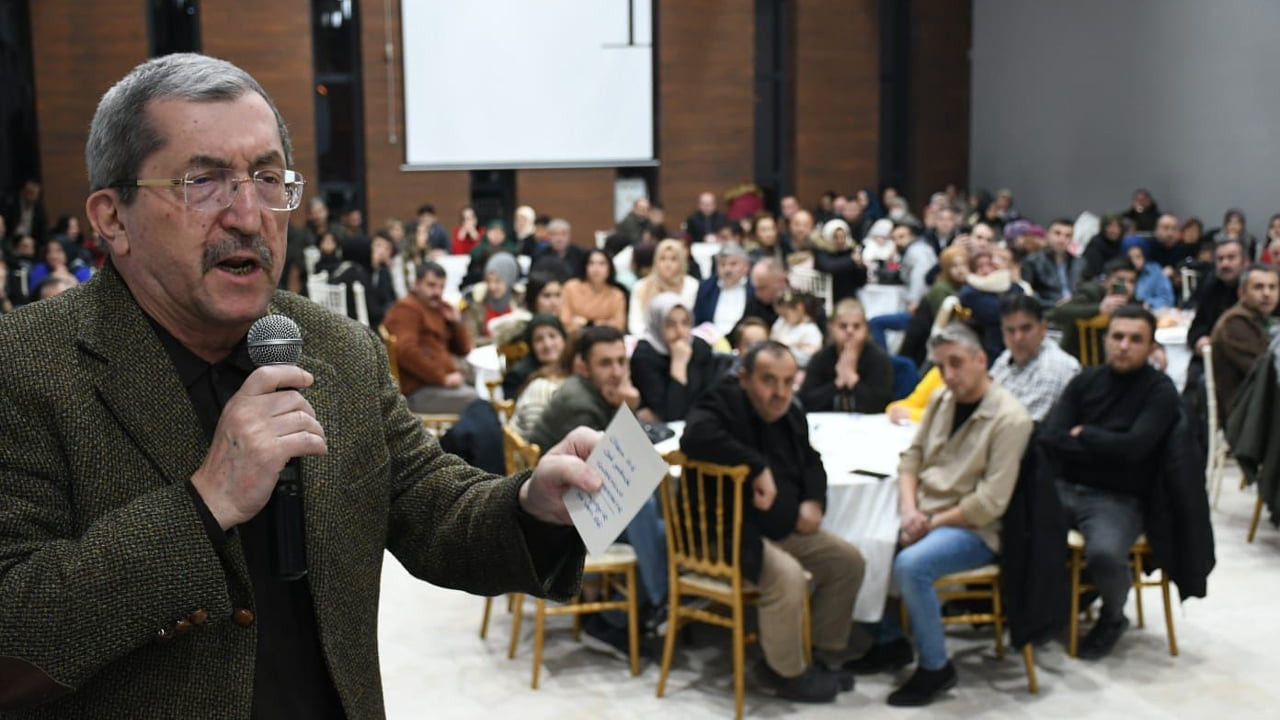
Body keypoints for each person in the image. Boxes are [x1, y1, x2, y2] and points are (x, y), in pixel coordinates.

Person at [0, 53, 600, 719]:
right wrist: (202, 506)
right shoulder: (27, 369)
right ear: (112, 218)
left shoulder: (337, 348)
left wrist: (530, 505)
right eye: (205, 182)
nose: (249, 215)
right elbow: (13, 641)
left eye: (266, 178)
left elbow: (434, 510)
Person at [849, 323, 1032, 707]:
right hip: (926, 510)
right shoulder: (940, 400)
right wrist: (910, 510)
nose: (949, 375)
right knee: (861, 537)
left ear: (981, 360)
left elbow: (989, 502)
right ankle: (888, 639)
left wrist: (928, 523)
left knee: (912, 565)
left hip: (974, 528)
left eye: (957, 364)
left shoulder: (1010, 418)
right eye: (941, 366)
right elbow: (910, 460)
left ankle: (936, 667)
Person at [682, 342, 866, 703]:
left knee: (847, 561)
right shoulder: (722, 402)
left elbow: (812, 460)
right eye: (769, 381)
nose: (779, 393)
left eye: (787, 382)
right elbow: (695, 437)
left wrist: (814, 500)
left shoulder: (789, 411)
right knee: (787, 577)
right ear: (745, 377)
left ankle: (818, 654)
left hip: (779, 529)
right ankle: (786, 673)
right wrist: (756, 465)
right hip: (730, 535)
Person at [1041, 306, 1180, 660]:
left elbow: (1135, 449)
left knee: (1103, 553)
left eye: (1135, 339)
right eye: (1117, 337)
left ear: (1151, 347)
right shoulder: (1087, 381)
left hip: (1120, 497)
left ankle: (1113, 617)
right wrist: (1107, 443)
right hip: (1066, 486)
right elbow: (1051, 435)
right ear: (1105, 340)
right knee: (1016, 519)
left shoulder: (1159, 390)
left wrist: (1085, 434)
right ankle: (1037, 605)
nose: (1123, 346)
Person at [384, 261, 479, 414]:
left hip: (438, 385)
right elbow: (406, 352)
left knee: (479, 399)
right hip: (418, 390)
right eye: (431, 285)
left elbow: (464, 349)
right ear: (416, 284)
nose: (437, 292)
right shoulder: (406, 309)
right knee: (477, 404)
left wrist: (455, 323)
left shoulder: (437, 308)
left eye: (441, 287)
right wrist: (442, 378)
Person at [990, 295, 1081, 421]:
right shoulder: (1006, 357)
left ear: (1043, 328)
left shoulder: (1055, 366)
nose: (1017, 338)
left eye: (1026, 329)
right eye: (1010, 330)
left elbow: (1021, 427)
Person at [630, 293, 717, 423]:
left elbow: (711, 400)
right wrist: (679, 366)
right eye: (670, 325)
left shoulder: (700, 347)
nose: (680, 331)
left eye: (685, 323)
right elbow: (672, 413)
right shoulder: (644, 355)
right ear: (657, 325)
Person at [1210, 265, 1280, 424]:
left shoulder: (1265, 320)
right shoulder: (1234, 324)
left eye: (1272, 287)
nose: (1267, 293)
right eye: (1258, 287)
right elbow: (1268, 373)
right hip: (1245, 416)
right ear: (1242, 293)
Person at [798, 298, 893, 413]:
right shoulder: (821, 358)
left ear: (866, 329)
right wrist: (837, 384)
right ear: (831, 328)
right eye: (843, 326)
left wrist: (852, 378)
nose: (850, 331)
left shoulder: (879, 359)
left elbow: (882, 406)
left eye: (856, 326)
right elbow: (805, 402)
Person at [1048, 257, 1138, 361]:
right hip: (1078, 356)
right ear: (1106, 280)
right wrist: (1099, 308)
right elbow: (1057, 313)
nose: (1127, 286)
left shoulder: (1131, 300)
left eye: (1132, 281)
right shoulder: (1091, 292)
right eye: (1120, 280)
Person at [508, 315, 570, 439]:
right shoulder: (524, 377)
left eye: (552, 336)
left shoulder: (574, 369)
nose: (547, 344)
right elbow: (535, 435)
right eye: (539, 340)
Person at [628, 238, 699, 335]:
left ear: (681, 262)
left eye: (673, 259)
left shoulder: (693, 285)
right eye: (662, 259)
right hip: (648, 340)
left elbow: (692, 320)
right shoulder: (640, 286)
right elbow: (635, 323)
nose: (667, 264)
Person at [1188, 239, 1246, 353]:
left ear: (1244, 261)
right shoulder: (1211, 287)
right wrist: (1199, 340)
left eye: (1231, 258)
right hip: (1214, 352)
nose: (1225, 264)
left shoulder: (1256, 288)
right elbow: (1198, 326)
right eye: (1220, 259)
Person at [559, 248, 627, 333]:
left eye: (602, 264)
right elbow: (565, 321)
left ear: (610, 268)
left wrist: (587, 323)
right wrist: (605, 323)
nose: (596, 268)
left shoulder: (617, 294)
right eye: (591, 263)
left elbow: (618, 326)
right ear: (585, 266)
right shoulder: (571, 287)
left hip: (606, 339)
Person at [692, 243, 754, 337]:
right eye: (722, 264)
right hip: (711, 340)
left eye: (733, 264)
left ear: (746, 267)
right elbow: (697, 320)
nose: (727, 269)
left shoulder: (754, 288)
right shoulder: (706, 288)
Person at [461, 252, 521, 344]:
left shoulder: (521, 300)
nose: (492, 287)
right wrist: (498, 341)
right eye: (489, 280)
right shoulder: (475, 302)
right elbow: (469, 339)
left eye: (498, 281)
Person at [1020, 218, 1081, 305]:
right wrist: (1053, 305)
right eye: (1057, 233)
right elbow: (1028, 293)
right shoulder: (1032, 262)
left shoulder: (1078, 262)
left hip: (1077, 307)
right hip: (1049, 309)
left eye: (1068, 236)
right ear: (1047, 235)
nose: (1062, 239)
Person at [812, 218, 868, 301]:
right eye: (836, 237)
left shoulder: (850, 251)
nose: (840, 241)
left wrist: (860, 266)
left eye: (843, 237)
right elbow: (829, 267)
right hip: (827, 297)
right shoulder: (822, 251)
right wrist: (851, 260)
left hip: (848, 295)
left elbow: (860, 281)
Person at [770, 291, 824, 367]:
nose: (783, 319)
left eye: (786, 315)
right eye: (780, 315)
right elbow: (772, 340)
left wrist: (787, 347)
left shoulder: (811, 331)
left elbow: (809, 356)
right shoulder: (781, 322)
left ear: (799, 308)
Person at [1122, 237, 1175, 310]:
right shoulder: (1120, 273)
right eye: (1130, 258)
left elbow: (1167, 299)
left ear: (1144, 256)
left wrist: (1148, 304)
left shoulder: (1155, 271)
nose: (1134, 262)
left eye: (1138, 257)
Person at [26, 238, 93, 294]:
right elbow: (33, 295)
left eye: (58, 251)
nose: (53, 256)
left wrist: (67, 277)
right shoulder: (40, 269)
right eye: (49, 251)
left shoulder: (80, 270)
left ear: (67, 251)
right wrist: (53, 277)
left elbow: (87, 295)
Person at [1080, 213, 1124, 283]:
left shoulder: (1121, 244)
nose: (1114, 230)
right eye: (1110, 226)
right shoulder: (1096, 244)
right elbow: (1094, 271)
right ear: (1103, 227)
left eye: (1117, 226)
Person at [365, 232, 397, 329]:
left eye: (387, 248)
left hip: (381, 322)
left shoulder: (384, 273)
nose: (382, 251)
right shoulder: (360, 269)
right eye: (378, 245)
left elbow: (389, 299)